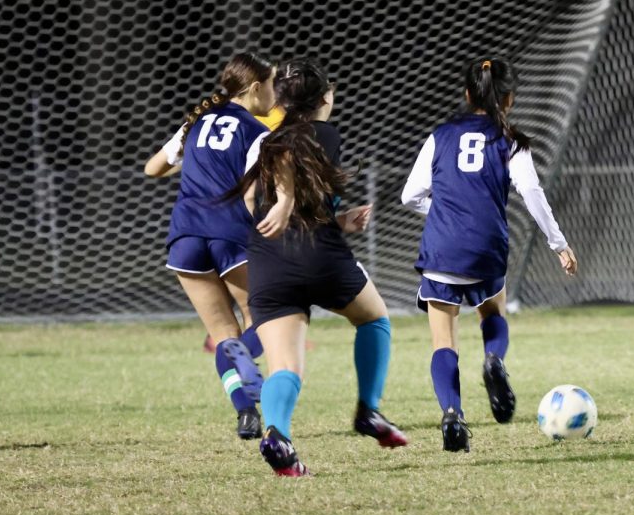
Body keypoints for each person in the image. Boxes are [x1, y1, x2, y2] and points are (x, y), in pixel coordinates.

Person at [236, 59, 407, 477]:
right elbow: (291, 159)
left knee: (285, 368)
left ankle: (277, 435)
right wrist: (289, 202)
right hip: (317, 254)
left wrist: (334, 218)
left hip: (268, 257)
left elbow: (247, 203)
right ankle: (368, 410)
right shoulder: (322, 132)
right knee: (375, 319)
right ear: (325, 98)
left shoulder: (263, 140)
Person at [402, 56, 577, 453]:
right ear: (510, 99)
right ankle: (494, 361)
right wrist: (558, 243)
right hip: (485, 246)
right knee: (493, 314)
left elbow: (409, 195)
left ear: (467, 94)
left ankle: (452, 415)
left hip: (442, 247)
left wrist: (446, 213)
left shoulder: (440, 135)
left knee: (443, 343)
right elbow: (532, 192)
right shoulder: (510, 140)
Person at [144, 52, 276, 441]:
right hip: (229, 234)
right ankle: (247, 367)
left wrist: (197, 165)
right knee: (265, 318)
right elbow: (253, 196)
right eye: (271, 85)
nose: (275, 93)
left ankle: (246, 413)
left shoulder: (196, 122)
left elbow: (152, 168)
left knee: (223, 334)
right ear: (255, 89)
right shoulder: (258, 131)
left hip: (185, 237)